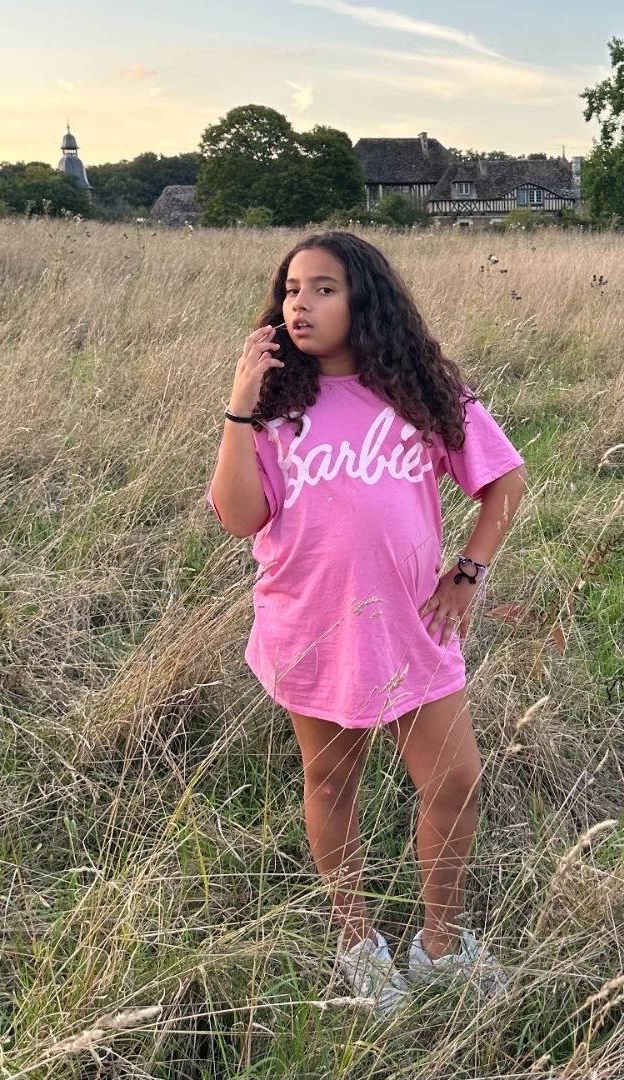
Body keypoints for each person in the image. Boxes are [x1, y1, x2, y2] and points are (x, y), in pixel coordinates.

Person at [207, 231, 527, 1015]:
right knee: (330, 781)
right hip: (311, 626)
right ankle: (357, 940)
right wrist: (240, 404)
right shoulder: (276, 407)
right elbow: (239, 517)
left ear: (364, 300)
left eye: (323, 288)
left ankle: (440, 945)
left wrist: (469, 571)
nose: (300, 304)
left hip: (413, 627)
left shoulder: (420, 391)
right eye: (291, 290)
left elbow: (505, 481)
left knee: (454, 782)